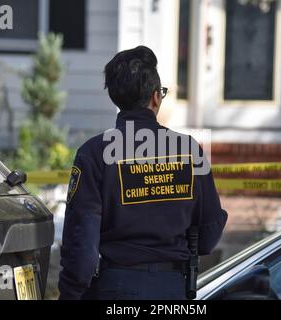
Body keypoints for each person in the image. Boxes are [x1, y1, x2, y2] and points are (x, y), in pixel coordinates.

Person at [58, 46, 228, 300]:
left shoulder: (93, 154)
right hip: (172, 290)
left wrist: (70, 294)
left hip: (114, 288)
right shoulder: (189, 150)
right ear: (155, 97)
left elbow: (81, 246)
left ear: (115, 98)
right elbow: (208, 236)